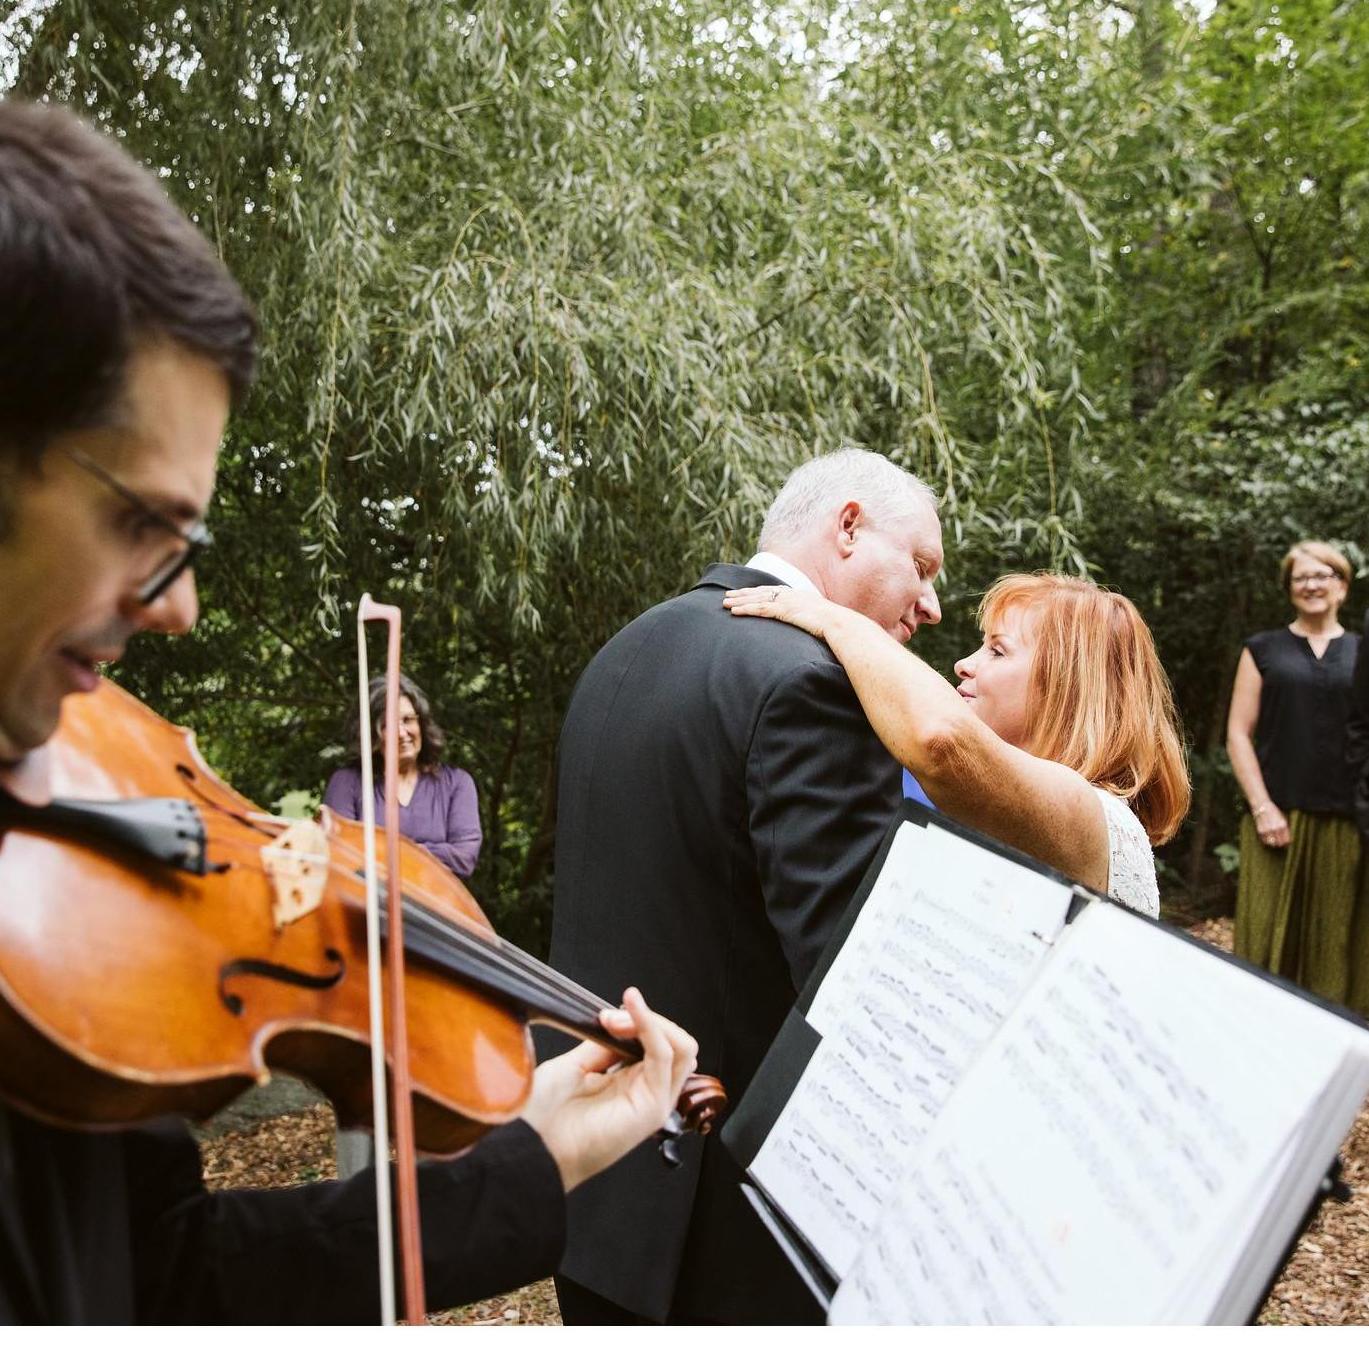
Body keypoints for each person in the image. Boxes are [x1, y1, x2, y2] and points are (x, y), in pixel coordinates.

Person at [0, 98, 696, 1324]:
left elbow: (165, 1282)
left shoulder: (66, 949)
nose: (181, 608)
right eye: (142, 525)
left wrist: (528, 1162)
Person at [545, 446, 943, 1325]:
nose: (931, 604)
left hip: (590, 1176)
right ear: (847, 526)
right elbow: (851, 973)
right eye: (919, 565)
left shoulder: (626, 648)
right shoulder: (810, 682)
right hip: (721, 1217)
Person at [725, 572, 1190, 917]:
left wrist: (832, 618)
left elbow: (940, 738)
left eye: (997, 650)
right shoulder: (992, 803)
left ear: (1067, 687)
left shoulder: (1101, 821)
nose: (964, 664)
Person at [1226, 541, 1369, 1013]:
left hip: (1347, 822)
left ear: (1342, 586)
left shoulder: (1361, 651)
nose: (1311, 585)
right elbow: (1238, 735)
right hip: (1276, 821)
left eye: (1322, 575)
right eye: (1300, 577)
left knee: (1337, 947)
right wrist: (1262, 807)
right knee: (1266, 942)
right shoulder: (1263, 649)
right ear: (1288, 589)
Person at [323, 673, 482, 880]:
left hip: (435, 906)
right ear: (371, 734)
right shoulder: (347, 783)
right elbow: (341, 853)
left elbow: (464, 859)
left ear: (422, 725)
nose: (401, 732)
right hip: (367, 906)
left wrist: (383, 852)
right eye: (388, 724)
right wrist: (431, 852)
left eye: (408, 720)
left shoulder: (457, 784)